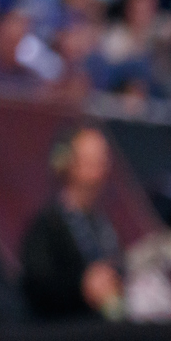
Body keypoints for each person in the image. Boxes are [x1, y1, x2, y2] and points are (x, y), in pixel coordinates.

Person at [20, 126, 125, 320]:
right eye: (91, 160)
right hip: (65, 336)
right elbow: (37, 286)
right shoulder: (48, 225)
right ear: (67, 163)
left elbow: (118, 266)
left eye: (102, 159)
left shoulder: (102, 223)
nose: (100, 169)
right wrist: (81, 287)